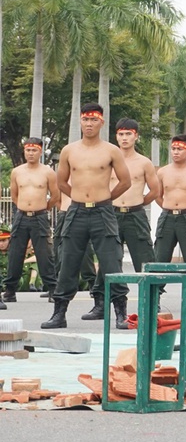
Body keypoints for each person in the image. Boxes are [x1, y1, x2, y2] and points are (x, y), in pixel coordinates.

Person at [43, 104, 132, 329]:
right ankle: (59, 313)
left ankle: (121, 313)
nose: (89, 124)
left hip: (103, 211)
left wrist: (106, 198)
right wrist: (78, 197)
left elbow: (125, 181)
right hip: (77, 212)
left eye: (93, 120)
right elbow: (61, 181)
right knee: (69, 262)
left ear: (101, 122)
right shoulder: (69, 150)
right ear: (80, 122)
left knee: (111, 262)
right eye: (85, 120)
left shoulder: (111, 150)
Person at [102, 119, 159, 328]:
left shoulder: (144, 162)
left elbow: (155, 189)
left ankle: (153, 303)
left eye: (128, 134)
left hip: (135, 214)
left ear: (136, 136)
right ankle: (118, 309)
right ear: (116, 136)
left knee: (145, 259)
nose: (124, 138)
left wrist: (139, 203)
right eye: (121, 134)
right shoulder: (108, 160)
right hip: (112, 214)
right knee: (111, 260)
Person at [3, 139, 59, 304]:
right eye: (28, 150)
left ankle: (51, 289)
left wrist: (44, 209)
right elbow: (14, 195)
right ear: (24, 151)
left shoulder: (48, 172)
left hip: (39, 217)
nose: (30, 153)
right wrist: (22, 208)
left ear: (40, 152)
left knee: (44, 254)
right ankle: (10, 290)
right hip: (21, 216)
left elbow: (55, 195)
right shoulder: (17, 172)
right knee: (15, 253)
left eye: (34, 151)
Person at [154, 135, 186, 290]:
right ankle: (156, 294)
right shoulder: (163, 172)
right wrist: (168, 207)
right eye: (174, 149)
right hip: (167, 217)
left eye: (180, 149)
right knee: (160, 257)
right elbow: (158, 195)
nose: (176, 152)